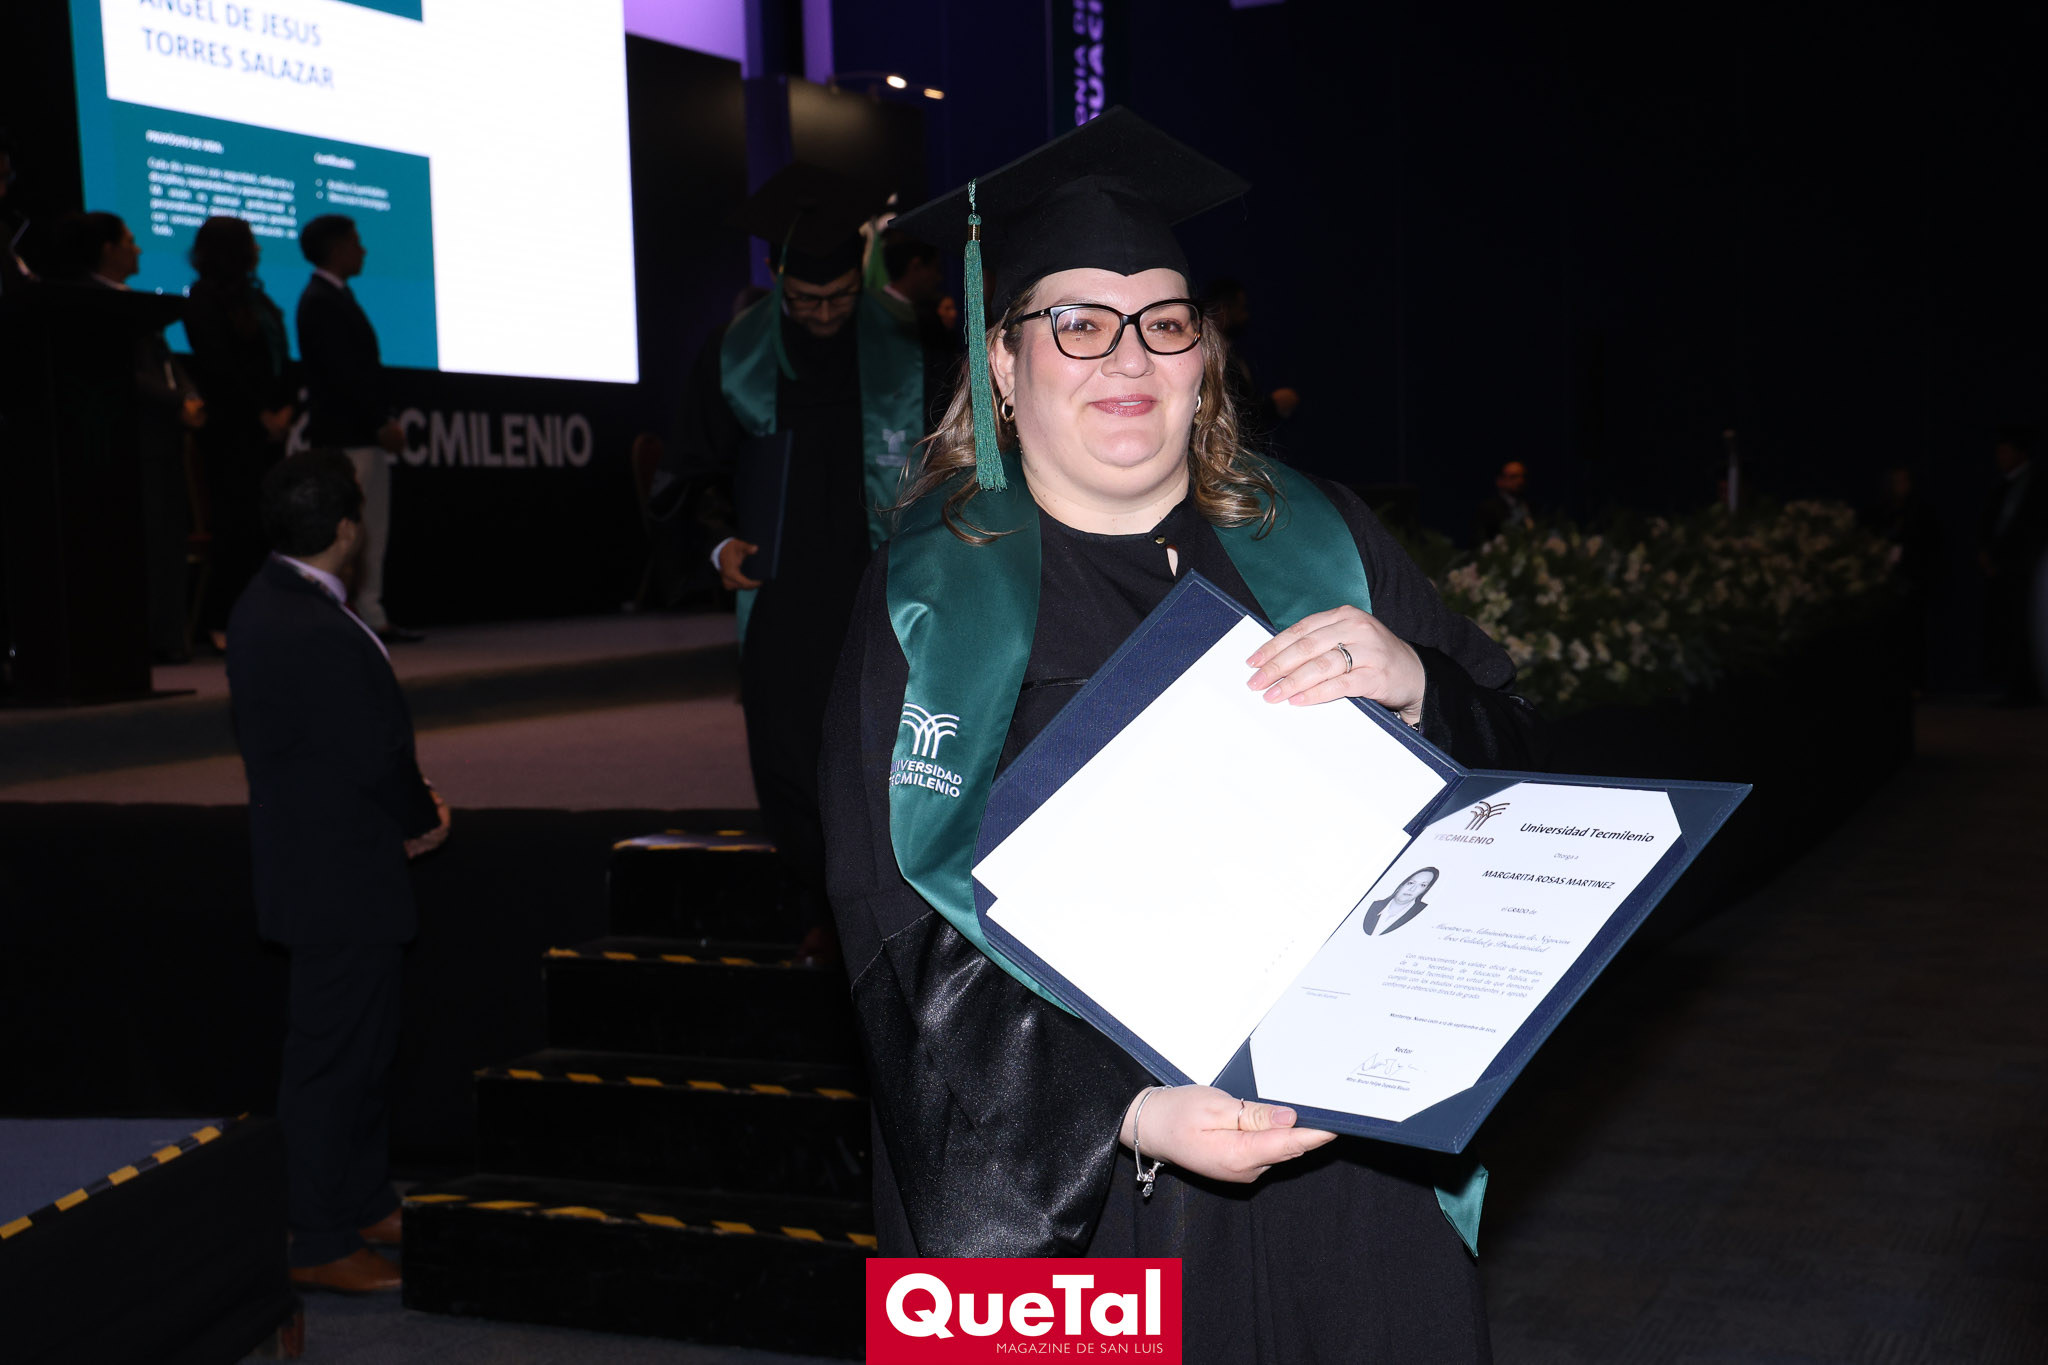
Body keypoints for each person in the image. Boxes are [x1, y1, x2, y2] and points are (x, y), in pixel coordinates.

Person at [824, 109, 1540, 1360]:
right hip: (1088, 1180)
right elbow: (890, 914)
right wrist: (1128, 1112)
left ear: (1202, 357)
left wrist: (1421, 686)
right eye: (1077, 323)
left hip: (1348, 1148)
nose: (1127, 356)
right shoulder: (928, 597)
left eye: (1164, 323)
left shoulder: (1320, 539)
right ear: (1003, 363)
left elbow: (1522, 770)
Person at [651, 163, 948, 958]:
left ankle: (898, 905)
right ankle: (819, 898)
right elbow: (690, 472)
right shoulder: (735, 350)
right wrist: (719, 543)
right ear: (777, 276)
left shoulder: (917, 341)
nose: (821, 313)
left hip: (889, 585)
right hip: (782, 594)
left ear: (862, 273)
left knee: (888, 746)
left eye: (838, 298)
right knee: (790, 756)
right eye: (805, 300)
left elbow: (963, 461)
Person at [228, 450, 450, 1294]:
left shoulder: (270, 599)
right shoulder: (310, 625)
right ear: (349, 529)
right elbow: (374, 751)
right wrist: (424, 817)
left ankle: (361, 1197)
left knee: (364, 1048)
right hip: (337, 877)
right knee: (332, 1062)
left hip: (329, 863)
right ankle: (317, 1236)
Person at [58, 211, 206, 661]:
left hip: (161, 442)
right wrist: (175, 401)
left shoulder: (138, 304)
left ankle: (167, 635)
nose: (138, 248)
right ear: (107, 248)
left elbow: (167, 363)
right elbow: (118, 370)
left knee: (167, 539)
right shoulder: (88, 301)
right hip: (124, 442)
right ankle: (142, 638)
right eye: (129, 240)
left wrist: (189, 396)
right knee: (140, 541)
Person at [296, 214, 418, 645]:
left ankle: (369, 612)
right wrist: (378, 421)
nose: (363, 250)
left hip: (360, 435)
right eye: (355, 242)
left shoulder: (336, 298)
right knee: (352, 531)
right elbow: (343, 375)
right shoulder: (321, 301)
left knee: (370, 530)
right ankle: (353, 614)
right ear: (336, 247)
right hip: (347, 438)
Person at [185, 216, 295, 650]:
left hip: (269, 432)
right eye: (251, 241)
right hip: (232, 433)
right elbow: (218, 366)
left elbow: (280, 359)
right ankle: (222, 620)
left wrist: (286, 407)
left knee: (267, 526)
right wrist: (259, 413)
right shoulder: (203, 297)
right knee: (236, 525)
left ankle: (261, 617)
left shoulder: (259, 298)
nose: (259, 249)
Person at [1980, 426, 2046, 704]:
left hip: (2024, 570)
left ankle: (2026, 688)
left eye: (2006, 452)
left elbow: (2032, 530)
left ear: (2021, 453)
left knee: (2024, 630)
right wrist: (1987, 554)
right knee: (2006, 628)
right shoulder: (2002, 486)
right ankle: (2013, 686)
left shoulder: (2036, 485)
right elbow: (1991, 525)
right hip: (2003, 570)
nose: (2001, 458)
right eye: (1999, 452)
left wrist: (2014, 562)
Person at [1204, 278, 1298, 451]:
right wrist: (1273, 405)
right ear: (1223, 310)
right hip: (1225, 454)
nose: (1246, 316)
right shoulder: (1206, 358)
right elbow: (1228, 411)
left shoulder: (1234, 354)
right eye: (1241, 309)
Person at [1359, 867, 1439, 937]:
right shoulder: (1374, 905)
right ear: (1402, 884)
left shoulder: (1424, 913)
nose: (1412, 889)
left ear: (1425, 890)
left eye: (1422, 885)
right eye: (1411, 883)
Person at [1474, 460, 1534, 544]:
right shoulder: (1488, 510)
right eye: (1513, 477)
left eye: (1522, 476)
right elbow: (1481, 542)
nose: (1520, 481)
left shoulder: (1531, 506)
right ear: (1500, 481)